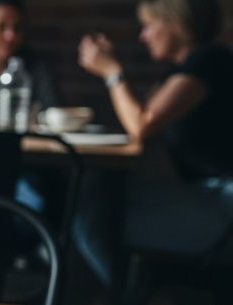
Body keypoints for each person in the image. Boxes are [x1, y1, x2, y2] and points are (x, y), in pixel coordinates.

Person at [74, 0, 233, 287]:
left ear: (175, 23)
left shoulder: (208, 61)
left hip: (219, 203)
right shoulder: (184, 69)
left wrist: (112, 73)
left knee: (91, 216)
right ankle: (135, 303)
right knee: (94, 201)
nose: (143, 35)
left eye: (149, 25)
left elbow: (143, 124)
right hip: (201, 194)